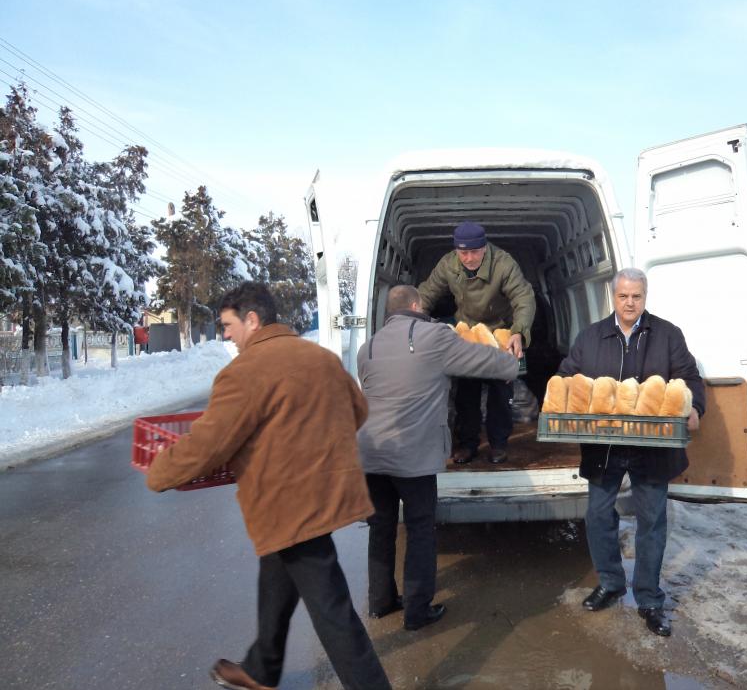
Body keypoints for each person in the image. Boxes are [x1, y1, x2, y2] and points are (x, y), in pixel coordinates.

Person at [146, 282, 390, 690]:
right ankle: (261, 668)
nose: (226, 335)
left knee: (332, 610)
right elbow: (357, 410)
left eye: (228, 325)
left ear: (253, 320)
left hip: (289, 504)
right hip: (323, 494)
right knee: (277, 574)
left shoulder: (244, 373)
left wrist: (159, 473)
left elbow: (209, 443)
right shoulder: (321, 358)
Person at [357, 284, 518, 631]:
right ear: (417, 306)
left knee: (381, 528)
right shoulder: (434, 336)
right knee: (420, 529)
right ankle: (417, 611)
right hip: (412, 453)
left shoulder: (366, 347)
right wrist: (510, 363)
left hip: (371, 453)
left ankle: (380, 602)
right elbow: (479, 359)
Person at [557, 268, 704, 638]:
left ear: (645, 296)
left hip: (652, 445)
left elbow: (689, 376)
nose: (629, 303)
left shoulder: (667, 334)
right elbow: (567, 376)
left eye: (636, 296)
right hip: (604, 444)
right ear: (614, 296)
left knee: (651, 521)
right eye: (623, 296)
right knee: (597, 515)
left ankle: (649, 599)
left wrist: (695, 407)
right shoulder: (591, 337)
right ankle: (610, 583)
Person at [418, 221, 536, 465]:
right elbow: (426, 294)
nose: (469, 258)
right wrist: (411, 322)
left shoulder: (503, 263)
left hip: (500, 332)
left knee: (501, 394)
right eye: (463, 253)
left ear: (485, 248)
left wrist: (518, 332)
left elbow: (523, 297)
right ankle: (468, 445)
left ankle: (499, 445)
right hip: (468, 333)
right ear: (456, 251)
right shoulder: (448, 264)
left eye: (475, 252)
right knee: (466, 395)